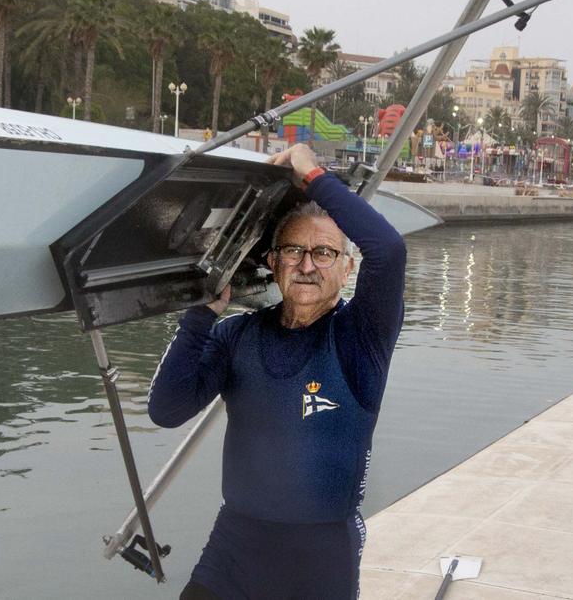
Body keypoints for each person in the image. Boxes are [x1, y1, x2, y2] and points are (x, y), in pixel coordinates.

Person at [148, 143, 407, 599]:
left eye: (324, 253)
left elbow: (387, 249)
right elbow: (166, 410)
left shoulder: (359, 338)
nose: (307, 265)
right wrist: (201, 316)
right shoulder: (236, 336)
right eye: (293, 251)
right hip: (234, 549)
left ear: (347, 268)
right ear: (273, 262)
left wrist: (310, 173)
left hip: (320, 558)